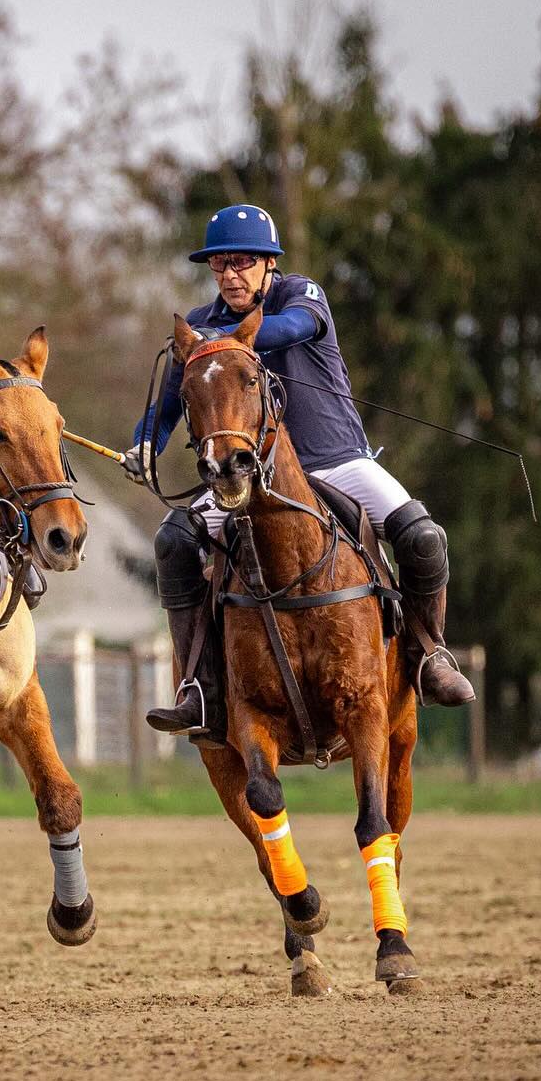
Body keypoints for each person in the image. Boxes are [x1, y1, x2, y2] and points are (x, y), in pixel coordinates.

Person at [123, 203, 475, 747]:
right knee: (172, 540)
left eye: (242, 262)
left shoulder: (300, 296)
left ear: (268, 264)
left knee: (423, 536)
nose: (230, 274)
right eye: (219, 265)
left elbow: (288, 329)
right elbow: (171, 403)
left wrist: (211, 341)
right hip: (247, 478)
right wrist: (147, 442)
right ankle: (200, 687)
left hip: (336, 462)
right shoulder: (200, 326)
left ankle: (429, 654)